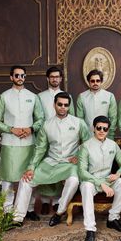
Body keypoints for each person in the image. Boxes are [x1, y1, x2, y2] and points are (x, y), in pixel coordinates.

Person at [13, 91, 89, 226]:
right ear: (54, 105)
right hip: (51, 161)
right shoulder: (47, 125)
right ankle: (17, 218)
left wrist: (78, 156)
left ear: (69, 106)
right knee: (26, 179)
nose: (63, 107)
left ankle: (60, 212)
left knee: (73, 180)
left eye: (66, 105)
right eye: (60, 104)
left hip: (69, 163)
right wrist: (31, 167)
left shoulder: (78, 123)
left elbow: (88, 144)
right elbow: (40, 149)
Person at [0, 65, 44, 218]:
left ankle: (29, 209)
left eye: (22, 76)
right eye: (17, 75)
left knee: (29, 177)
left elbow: (40, 118)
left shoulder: (33, 97)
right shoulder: (4, 96)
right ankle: (7, 211)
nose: (20, 78)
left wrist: (31, 129)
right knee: (7, 178)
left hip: (29, 143)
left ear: (25, 78)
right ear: (11, 77)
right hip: (10, 143)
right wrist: (11, 129)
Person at [78, 115, 121, 241]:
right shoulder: (85, 146)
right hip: (91, 180)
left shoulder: (113, 145)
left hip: (108, 179)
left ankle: (113, 218)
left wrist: (117, 174)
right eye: (98, 128)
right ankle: (90, 229)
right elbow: (82, 172)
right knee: (87, 186)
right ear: (93, 128)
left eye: (105, 129)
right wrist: (101, 184)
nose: (101, 131)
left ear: (108, 130)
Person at [37, 66, 75, 215]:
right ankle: (46, 201)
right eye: (51, 77)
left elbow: (72, 118)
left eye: (57, 77)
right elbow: (38, 116)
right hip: (46, 135)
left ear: (60, 79)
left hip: (64, 138)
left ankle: (59, 201)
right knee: (46, 169)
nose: (54, 79)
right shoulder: (40, 96)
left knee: (61, 169)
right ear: (48, 79)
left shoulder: (66, 96)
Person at [76, 69, 117, 140]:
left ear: (101, 81)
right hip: (88, 136)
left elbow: (113, 118)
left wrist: (109, 134)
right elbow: (80, 119)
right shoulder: (82, 97)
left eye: (98, 81)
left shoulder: (109, 96)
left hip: (106, 135)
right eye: (92, 81)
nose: (95, 83)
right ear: (88, 82)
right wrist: (84, 136)